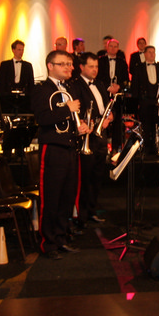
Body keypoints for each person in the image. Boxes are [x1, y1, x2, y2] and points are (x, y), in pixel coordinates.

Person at [32, 50, 89, 259]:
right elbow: (42, 118)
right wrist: (67, 109)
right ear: (50, 66)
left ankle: (61, 237)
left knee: (67, 197)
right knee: (51, 197)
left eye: (70, 64)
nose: (69, 68)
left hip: (70, 148)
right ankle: (48, 244)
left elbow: (73, 117)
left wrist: (81, 126)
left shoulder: (70, 88)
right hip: (53, 148)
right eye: (63, 64)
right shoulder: (41, 89)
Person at [70, 52, 112, 227]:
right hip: (87, 137)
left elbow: (106, 107)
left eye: (96, 67)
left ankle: (91, 211)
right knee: (85, 178)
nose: (95, 70)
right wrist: (87, 123)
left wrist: (109, 118)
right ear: (81, 67)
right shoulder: (75, 85)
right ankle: (81, 215)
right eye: (91, 67)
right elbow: (75, 112)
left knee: (97, 176)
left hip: (101, 136)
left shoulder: (100, 84)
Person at [134, 45, 159, 154]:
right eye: (150, 52)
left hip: (158, 101)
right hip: (144, 101)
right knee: (146, 125)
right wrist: (136, 102)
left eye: (153, 52)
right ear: (145, 54)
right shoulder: (139, 68)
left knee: (157, 124)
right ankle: (146, 149)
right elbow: (135, 86)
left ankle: (156, 147)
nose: (152, 54)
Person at [0, 39, 35, 114]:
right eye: (19, 49)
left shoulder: (28, 65)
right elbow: (0, 82)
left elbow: (31, 83)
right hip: (8, 97)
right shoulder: (5, 65)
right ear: (13, 50)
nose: (21, 52)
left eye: (22, 50)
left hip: (23, 98)